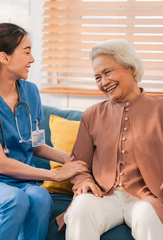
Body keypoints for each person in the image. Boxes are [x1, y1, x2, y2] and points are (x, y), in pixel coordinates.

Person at [0, 23, 87, 240]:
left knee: (40, 197)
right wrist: (55, 175)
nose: (32, 59)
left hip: (22, 182)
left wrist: (73, 160)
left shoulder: (30, 92)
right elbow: (0, 164)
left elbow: (35, 144)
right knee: (13, 200)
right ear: (4, 57)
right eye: (27, 52)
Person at [61, 39, 163, 240]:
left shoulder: (160, 109)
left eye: (108, 72)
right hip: (104, 196)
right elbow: (79, 162)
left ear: (130, 67)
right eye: (97, 77)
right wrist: (84, 180)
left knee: (147, 216)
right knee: (81, 209)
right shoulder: (91, 115)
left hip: (146, 196)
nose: (103, 82)